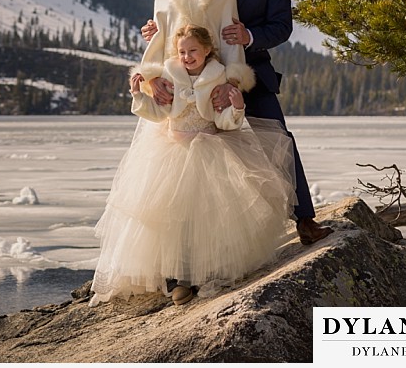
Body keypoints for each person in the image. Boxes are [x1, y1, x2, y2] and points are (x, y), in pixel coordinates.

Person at [141, 0, 333, 246]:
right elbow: (177, 0)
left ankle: (305, 219)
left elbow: (282, 27)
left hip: (249, 68)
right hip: (198, 73)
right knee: (195, 157)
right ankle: (200, 245)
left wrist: (250, 36)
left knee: (277, 136)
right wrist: (157, 28)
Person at [89, 23, 296, 307]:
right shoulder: (170, 74)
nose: (187, 57)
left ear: (207, 50)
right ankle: (177, 278)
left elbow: (223, 122)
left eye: (193, 51)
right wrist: (139, 96)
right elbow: (159, 113)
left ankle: (207, 270)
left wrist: (236, 107)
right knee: (174, 217)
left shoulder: (218, 77)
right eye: (182, 52)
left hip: (210, 149)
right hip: (172, 150)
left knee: (210, 215)